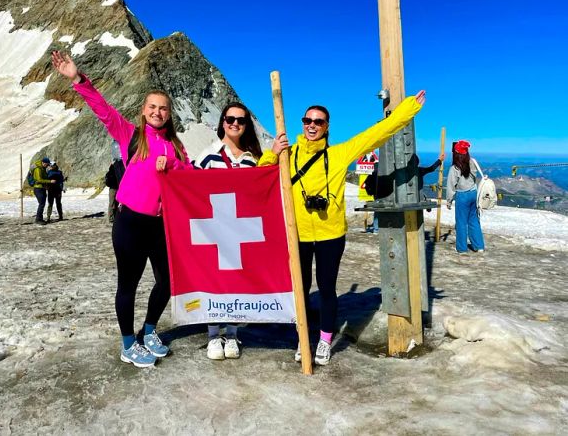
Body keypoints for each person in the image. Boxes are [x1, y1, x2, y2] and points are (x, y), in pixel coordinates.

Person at [260, 91, 426, 365]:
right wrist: (272, 154)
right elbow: (258, 175)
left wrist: (409, 108)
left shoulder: (339, 154)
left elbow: (377, 133)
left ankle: (324, 340)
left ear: (327, 127)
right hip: (297, 233)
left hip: (330, 235)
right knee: (299, 288)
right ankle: (303, 338)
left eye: (319, 121)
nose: (312, 125)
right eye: (307, 120)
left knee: (326, 288)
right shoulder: (287, 154)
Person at [52, 50, 193, 368]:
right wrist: (77, 79)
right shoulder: (131, 135)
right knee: (127, 284)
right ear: (144, 111)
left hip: (161, 225)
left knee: (168, 280)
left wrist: (172, 164)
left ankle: (149, 330)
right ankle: (128, 344)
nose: (158, 112)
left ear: (169, 114)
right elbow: (102, 110)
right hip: (130, 222)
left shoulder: (177, 147)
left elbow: (191, 177)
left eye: (163, 109)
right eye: (152, 107)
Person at [194, 102, 262, 361]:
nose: (235, 123)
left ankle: (232, 333)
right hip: (213, 231)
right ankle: (213, 335)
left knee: (236, 283)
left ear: (246, 126)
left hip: (241, 231)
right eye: (230, 118)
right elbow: (189, 185)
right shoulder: (208, 155)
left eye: (241, 120)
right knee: (215, 283)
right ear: (222, 121)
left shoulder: (251, 159)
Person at [364, 152, 446, 232]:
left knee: (382, 211)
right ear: (417, 163)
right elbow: (431, 168)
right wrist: (439, 160)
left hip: (400, 197)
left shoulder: (401, 172)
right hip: (417, 196)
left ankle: (378, 228)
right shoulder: (419, 170)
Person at [446, 140, 485, 255]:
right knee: (474, 220)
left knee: (461, 222)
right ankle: (479, 246)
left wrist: (449, 200)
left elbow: (451, 185)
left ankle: (462, 248)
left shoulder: (455, 168)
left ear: (456, 153)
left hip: (462, 195)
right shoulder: (472, 162)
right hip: (473, 193)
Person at [31, 157, 56, 225]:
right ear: (43, 163)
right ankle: (38, 219)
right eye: (47, 164)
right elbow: (39, 180)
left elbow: (44, 177)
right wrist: (50, 181)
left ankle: (40, 219)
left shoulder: (43, 168)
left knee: (42, 204)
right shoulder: (38, 169)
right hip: (38, 188)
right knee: (41, 203)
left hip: (42, 188)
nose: (48, 166)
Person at [105, 140, 124, 224]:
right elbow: (109, 179)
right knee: (112, 203)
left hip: (117, 186)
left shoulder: (118, 166)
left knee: (117, 202)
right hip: (113, 187)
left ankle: (116, 217)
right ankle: (111, 218)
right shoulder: (113, 168)